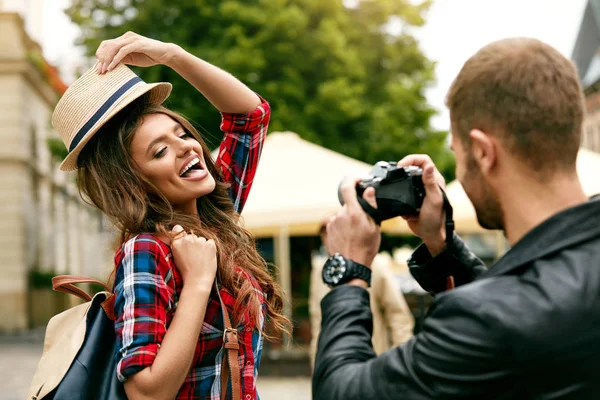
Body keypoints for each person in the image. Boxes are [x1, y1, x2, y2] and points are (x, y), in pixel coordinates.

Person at [312, 37, 600, 399]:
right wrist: (440, 242)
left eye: (459, 153)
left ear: (482, 151)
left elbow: (340, 391)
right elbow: (529, 298)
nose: (458, 171)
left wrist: (349, 270)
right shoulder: (531, 299)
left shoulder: (484, 320)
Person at [51, 32, 288, 400]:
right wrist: (197, 282)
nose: (187, 147)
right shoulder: (147, 250)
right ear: (135, 184)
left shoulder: (215, 216)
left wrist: (172, 55)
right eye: (161, 151)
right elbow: (146, 393)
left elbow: (251, 117)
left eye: (181, 134)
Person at [308, 220, 414, 370]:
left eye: (334, 230)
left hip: (371, 365)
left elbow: (399, 317)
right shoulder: (320, 271)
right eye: (325, 233)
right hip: (330, 368)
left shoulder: (375, 266)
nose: (329, 238)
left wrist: (399, 364)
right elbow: (317, 321)